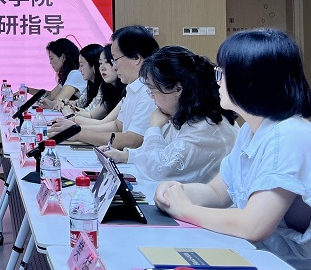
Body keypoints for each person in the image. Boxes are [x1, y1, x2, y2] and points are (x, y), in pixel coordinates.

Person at [155, 29, 311, 270]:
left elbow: (253, 225)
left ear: (249, 81)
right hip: (276, 262)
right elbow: (216, 193)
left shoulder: (291, 135)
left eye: (222, 73)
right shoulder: (253, 131)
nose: (217, 81)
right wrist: (175, 190)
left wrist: (184, 209)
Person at [101, 45, 238, 183]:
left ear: (178, 89)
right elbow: (167, 152)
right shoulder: (188, 113)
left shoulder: (205, 127)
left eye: (153, 90)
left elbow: (159, 169)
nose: (152, 96)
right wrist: (126, 156)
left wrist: (154, 128)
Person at [46, 25, 158, 149]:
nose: (114, 66)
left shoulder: (149, 91)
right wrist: (75, 129)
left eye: (115, 59)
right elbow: (117, 126)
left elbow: (132, 140)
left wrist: (78, 133)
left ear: (136, 58)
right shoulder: (133, 88)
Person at [55, 43, 103, 113]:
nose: (80, 70)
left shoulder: (104, 87)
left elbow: (89, 114)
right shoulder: (91, 85)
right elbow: (80, 103)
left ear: (94, 66)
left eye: (82, 65)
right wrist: (65, 103)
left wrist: (69, 112)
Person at [42, 38, 85, 104]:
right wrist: (27, 90)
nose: (50, 62)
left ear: (63, 57)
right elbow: (51, 95)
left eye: (52, 58)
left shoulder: (76, 74)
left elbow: (57, 102)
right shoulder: (70, 74)